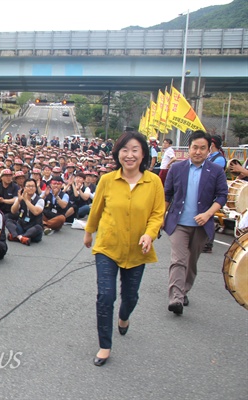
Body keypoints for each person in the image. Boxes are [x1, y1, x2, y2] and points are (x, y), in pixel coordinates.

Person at [83, 131, 165, 367]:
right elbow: (96, 209)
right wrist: (89, 232)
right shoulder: (107, 180)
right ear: (118, 154)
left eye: (135, 150)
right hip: (108, 247)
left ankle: (124, 317)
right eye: (124, 150)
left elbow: (157, 214)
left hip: (138, 251)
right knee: (105, 296)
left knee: (130, 296)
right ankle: (105, 346)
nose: (129, 155)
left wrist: (150, 235)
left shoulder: (154, 182)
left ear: (143, 155)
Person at [163, 130, 227, 315]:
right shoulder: (177, 168)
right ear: (188, 149)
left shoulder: (215, 171)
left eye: (202, 148)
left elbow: (222, 195)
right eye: (195, 147)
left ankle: (184, 291)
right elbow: (168, 194)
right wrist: (161, 216)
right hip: (178, 223)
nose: (198, 151)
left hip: (201, 225)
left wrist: (208, 214)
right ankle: (175, 298)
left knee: (191, 262)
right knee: (178, 260)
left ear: (209, 150)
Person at [6, 179, 44, 245]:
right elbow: (13, 211)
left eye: (33, 186)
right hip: (22, 225)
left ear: (35, 188)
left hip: (33, 227)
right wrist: (18, 201)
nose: (31, 188)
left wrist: (26, 200)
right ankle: (22, 238)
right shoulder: (20, 198)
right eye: (28, 186)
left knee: (39, 228)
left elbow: (36, 212)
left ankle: (16, 236)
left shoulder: (40, 200)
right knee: (8, 221)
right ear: (24, 188)